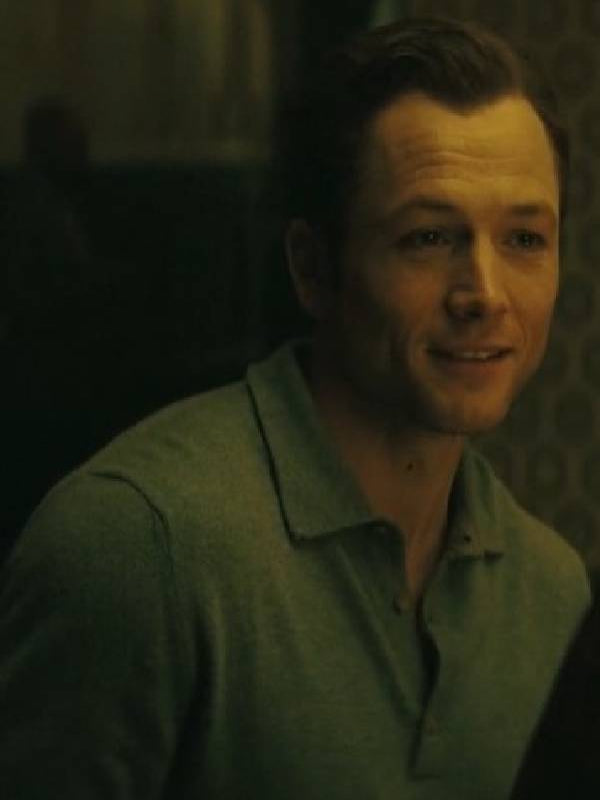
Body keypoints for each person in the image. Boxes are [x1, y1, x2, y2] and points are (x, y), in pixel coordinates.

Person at [0, 16, 591, 799]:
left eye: (524, 240)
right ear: (313, 270)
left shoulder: (553, 589)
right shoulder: (135, 548)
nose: (484, 294)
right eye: (427, 238)